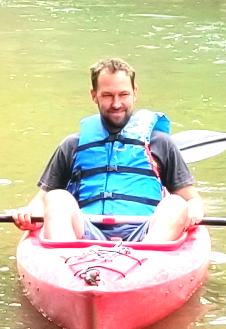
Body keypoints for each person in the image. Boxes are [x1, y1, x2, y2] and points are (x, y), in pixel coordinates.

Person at [16, 58, 204, 245]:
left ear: (134, 93)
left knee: (177, 204)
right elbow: (41, 201)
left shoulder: (161, 143)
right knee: (56, 197)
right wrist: (28, 214)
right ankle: (68, 262)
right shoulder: (72, 145)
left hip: (146, 234)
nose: (116, 104)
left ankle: (143, 263)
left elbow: (191, 199)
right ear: (93, 95)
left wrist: (194, 210)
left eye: (123, 94)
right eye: (107, 95)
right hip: (86, 232)